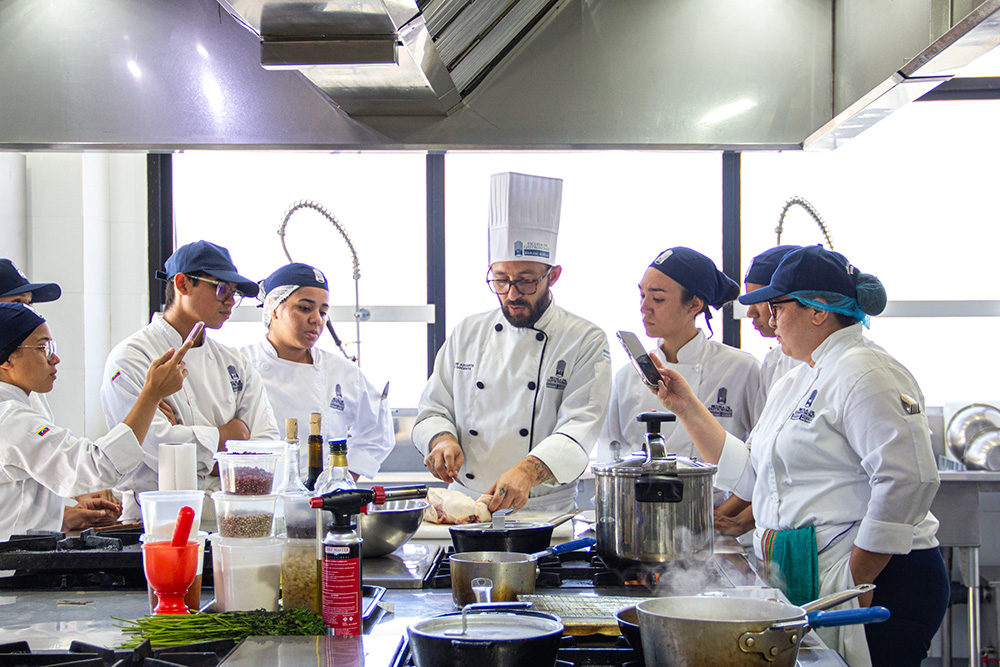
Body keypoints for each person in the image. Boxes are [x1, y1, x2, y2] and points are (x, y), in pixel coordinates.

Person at [648, 245, 947, 667]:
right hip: (819, 568)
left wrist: (859, 573)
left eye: (777, 307)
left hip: (883, 574)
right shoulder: (796, 379)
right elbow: (753, 476)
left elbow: (909, 479)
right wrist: (685, 406)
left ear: (818, 311)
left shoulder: (867, 372)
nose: (770, 320)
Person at [414, 172, 611, 514]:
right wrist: (441, 439)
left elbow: (580, 427)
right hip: (464, 507)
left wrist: (527, 471)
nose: (512, 294)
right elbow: (433, 408)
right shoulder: (468, 332)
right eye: (501, 280)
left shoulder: (584, 339)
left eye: (527, 281)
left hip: (542, 511)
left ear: (553, 275)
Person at [101, 241, 279, 520]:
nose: (230, 301)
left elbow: (265, 450)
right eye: (221, 288)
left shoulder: (235, 362)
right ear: (182, 284)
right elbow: (157, 449)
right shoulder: (132, 357)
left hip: (229, 515)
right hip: (155, 519)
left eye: (234, 293)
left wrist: (187, 438)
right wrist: (230, 437)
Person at [0, 303, 192, 541]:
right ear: (6, 359)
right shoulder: (10, 419)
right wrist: (151, 395)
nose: (55, 358)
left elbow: (14, 500)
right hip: (14, 561)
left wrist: (59, 517)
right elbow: (97, 466)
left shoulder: (15, 409)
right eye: (43, 348)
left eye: (52, 347)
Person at [596, 247, 761, 472]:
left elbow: (761, 456)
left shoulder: (741, 369)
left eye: (658, 298)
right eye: (642, 295)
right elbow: (610, 456)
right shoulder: (627, 376)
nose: (644, 308)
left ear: (694, 305)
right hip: (639, 494)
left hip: (714, 494)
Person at [242, 263, 393, 480]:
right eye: (305, 308)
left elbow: (377, 431)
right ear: (273, 308)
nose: (316, 319)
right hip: (259, 492)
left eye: (323, 312)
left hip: (322, 496)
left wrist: (342, 479)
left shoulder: (342, 373)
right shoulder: (241, 365)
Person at [1, 258, 121, 529]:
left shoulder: (24, 386)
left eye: (30, 304)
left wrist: (70, 504)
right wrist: (150, 396)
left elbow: (35, 463)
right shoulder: (9, 408)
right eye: (17, 304)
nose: (27, 313)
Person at [714, 245, 804, 538]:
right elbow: (761, 463)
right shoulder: (775, 361)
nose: (751, 311)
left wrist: (734, 519)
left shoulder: (847, 371)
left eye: (761, 300)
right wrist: (727, 519)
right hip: (781, 527)